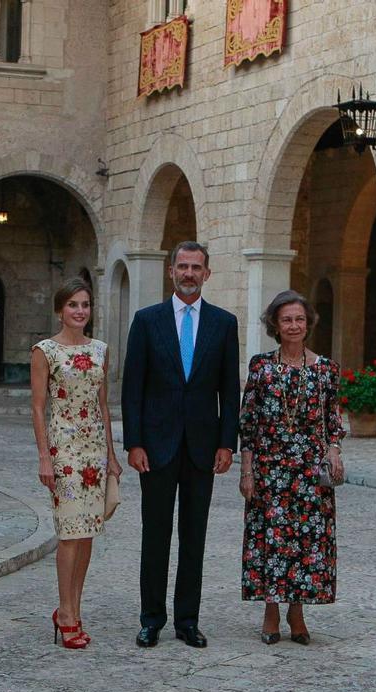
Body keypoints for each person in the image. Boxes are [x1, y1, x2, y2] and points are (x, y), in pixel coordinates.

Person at [121, 240, 240, 648]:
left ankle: (188, 620)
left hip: (203, 448)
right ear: (171, 271)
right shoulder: (147, 320)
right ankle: (151, 618)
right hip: (155, 448)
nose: (189, 274)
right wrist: (133, 442)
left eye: (196, 267)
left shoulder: (224, 324)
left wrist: (228, 443)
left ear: (207, 274)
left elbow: (230, 389)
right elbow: (132, 388)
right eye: (183, 266)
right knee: (155, 535)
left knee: (194, 536)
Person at [238, 290, 344, 645]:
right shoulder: (261, 367)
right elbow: (248, 424)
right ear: (275, 325)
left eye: (299, 319)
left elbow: (333, 421)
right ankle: (270, 609)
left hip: (310, 475)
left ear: (308, 323)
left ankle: (296, 610)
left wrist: (334, 452)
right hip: (270, 471)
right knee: (270, 541)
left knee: (306, 542)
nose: (294, 325)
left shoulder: (326, 369)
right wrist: (247, 472)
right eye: (287, 320)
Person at [31, 277, 122, 650]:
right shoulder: (45, 351)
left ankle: (74, 608)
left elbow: (103, 406)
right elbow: (38, 406)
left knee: (87, 535)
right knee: (69, 534)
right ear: (60, 310)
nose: (80, 311)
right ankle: (65, 612)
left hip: (94, 452)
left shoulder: (100, 350)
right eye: (73, 305)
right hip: (64, 452)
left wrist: (112, 456)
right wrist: (45, 456)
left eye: (85, 305)